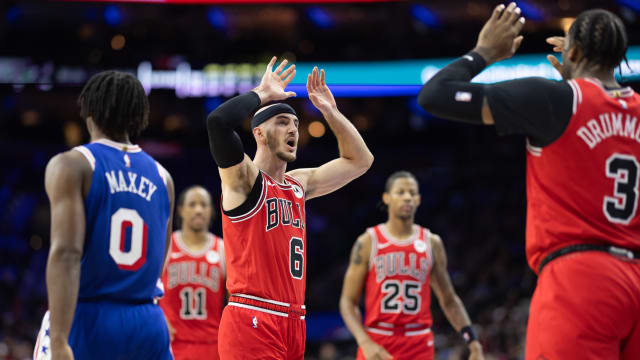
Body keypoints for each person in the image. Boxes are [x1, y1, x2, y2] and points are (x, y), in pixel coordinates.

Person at [418, 3, 639, 359]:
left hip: (579, 280)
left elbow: (435, 96)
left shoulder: (555, 99)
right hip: (635, 277)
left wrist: (483, 53)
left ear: (576, 52)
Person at [206, 57, 374, 359]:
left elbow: (360, 161)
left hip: (294, 320)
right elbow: (217, 123)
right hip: (252, 316)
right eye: (282, 122)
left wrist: (330, 111)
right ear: (258, 133)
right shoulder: (244, 178)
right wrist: (262, 93)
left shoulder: (299, 184)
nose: (292, 129)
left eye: (296, 123)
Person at [33, 71, 175, 360]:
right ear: (138, 116)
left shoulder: (73, 165)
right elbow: (161, 257)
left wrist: (59, 339)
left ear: (89, 112)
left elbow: (66, 254)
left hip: (88, 318)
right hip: (147, 321)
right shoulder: (163, 177)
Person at [339, 171, 484, 360]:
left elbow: (449, 300)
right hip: (378, 340)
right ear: (387, 198)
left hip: (419, 341)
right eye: (400, 192)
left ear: (419, 200)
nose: (407, 197)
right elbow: (347, 302)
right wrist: (364, 341)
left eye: (412, 193)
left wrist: (473, 342)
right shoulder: (367, 242)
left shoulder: (432, 243)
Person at [160, 186, 225, 360]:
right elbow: (147, 289)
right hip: (172, 343)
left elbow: (234, 301)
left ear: (212, 211)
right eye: (192, 204)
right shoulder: (166, 246)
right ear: (181, 210)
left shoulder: (222, 249)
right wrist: (157, 317)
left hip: (212, 345)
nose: (198, 210)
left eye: (204, 205)